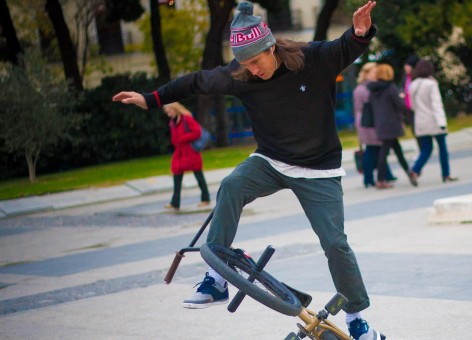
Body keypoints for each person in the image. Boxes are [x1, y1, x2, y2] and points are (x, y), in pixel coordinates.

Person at [112, 2, 384, 339]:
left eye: (256, 61)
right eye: (245, 64)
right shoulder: (239, 74)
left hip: (318, 169)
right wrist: (150, 98)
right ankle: (217, 279)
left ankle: (357, 317)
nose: (253, 70)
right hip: (270, 161)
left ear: (271, 47)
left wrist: (360, 32)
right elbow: (196, 82)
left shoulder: (311, 58)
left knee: (335, 243)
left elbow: (345, 47)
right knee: (232, 184)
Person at [408, 60, 458, 184]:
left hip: (420, 120)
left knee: (426, 149)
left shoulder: (413, 85)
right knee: (442, 148)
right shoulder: (431, 84)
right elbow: (436, 104)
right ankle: (446, 174)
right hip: (434, 120)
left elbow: (412, 105)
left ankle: (414, 170)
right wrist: (442, 122)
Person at [368, 63, 417, 189]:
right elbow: (399, 104)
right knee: (384, 152)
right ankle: (380, 180)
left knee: (397, 150)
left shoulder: (373, 89)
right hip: (391, 123)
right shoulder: (390, 87)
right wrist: (405, 105)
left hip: (380, 123)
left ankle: (410, 172)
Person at [353, 62, 395, 188]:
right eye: (374, 72)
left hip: (365, 121)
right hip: (368, 122)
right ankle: (369, 178)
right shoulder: (366, 89)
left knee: (376, 149)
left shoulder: (361, 88)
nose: (376, 74)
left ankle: (385, 175)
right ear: (366, 74)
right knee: (372, 150)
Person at [162, 102, 211, 211]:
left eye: (170, 111)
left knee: (198, 175)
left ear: (175, 109)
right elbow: (175, 138)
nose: (169, 114)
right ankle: (175, 203)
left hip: (190, 151)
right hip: (180, 152)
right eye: (167, 112)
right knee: (176, 175)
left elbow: (197, 132)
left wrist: (183, 138)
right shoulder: (172, 122)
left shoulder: (186, 119)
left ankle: (205, 198)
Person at [401, 55, 419, 129]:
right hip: (409, 107)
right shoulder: (406, 77)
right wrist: (402, 93)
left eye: (407, 65)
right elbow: (402, 87)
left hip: (417, 107)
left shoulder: (417, 77)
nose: (405, 67)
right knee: (414, 128)